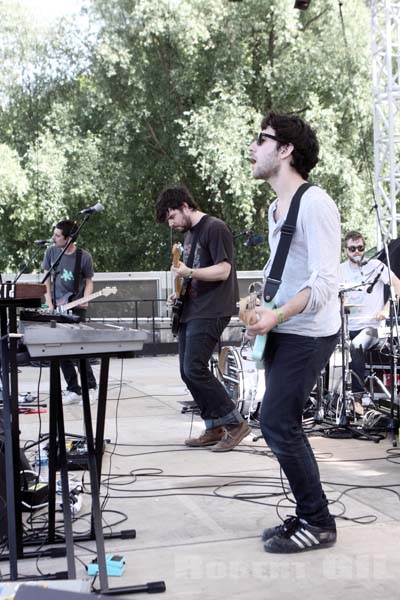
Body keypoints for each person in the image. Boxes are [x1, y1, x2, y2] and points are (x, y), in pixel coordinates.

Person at [246, 112, 341, 553]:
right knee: (276, 422)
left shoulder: (316, 203)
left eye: (260, 139)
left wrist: (278, 315)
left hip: (310, 332)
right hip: (284, 326)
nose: (252, 147)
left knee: (277, 422)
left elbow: (324, 283)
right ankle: (307, 515)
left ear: (285, 150)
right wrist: (259, 308)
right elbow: (283, 269)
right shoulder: (275, 207)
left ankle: (319, 522)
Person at [155, 185, 250, 452]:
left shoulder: (215, 228)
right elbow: (192, 272)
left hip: (212, 309)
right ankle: (213, 426)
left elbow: (223, 270)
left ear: (185, 205)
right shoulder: (190, 235)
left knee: (195, 368)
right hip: (192, 309)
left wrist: (189, 273)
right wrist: (180, 293)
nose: (172, 224)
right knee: (188, 372)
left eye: (172, 216)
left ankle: (234, 423)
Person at [339, 230, 400, 408]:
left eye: (360, 248)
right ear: (346, 250)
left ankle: (358, 396)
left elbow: (397, 285)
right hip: (347, 326)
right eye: (352, 249)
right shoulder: (340, 270)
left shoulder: (376, 266)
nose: (357, 252)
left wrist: (386, 309)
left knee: (357, 344)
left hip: (372, 328)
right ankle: (321, 399)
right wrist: (342, 303)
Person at [42, 219, 97, 404]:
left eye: (57, 235)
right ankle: (74, 389)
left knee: (80, 348)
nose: (53, 237)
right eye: (54, 234)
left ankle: (90, 387)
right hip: (56, 307)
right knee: (60, 349)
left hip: (76, 307)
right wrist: (49, 302)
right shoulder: (51, 252)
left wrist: (86, 299)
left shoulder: (84, 257)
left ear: (69, 238)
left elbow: (89, 281)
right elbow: (46, 280)